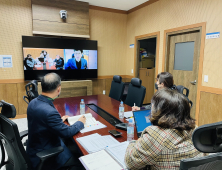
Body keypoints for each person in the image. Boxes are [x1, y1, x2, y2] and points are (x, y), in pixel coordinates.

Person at [125, 89, 205, 170]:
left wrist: (133, 143)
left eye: (152, 105)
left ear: (159, 110)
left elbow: (130, 163)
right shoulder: (195, 129)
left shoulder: (155, 136)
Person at [26, 73, 86, 170]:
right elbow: (66, 133)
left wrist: (58, 121)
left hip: (34, 148)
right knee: (82, 163)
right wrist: (80, 122)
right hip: (46, 155)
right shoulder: (49, 112)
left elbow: (42, 121)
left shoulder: (33, 102)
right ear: (58, 89)